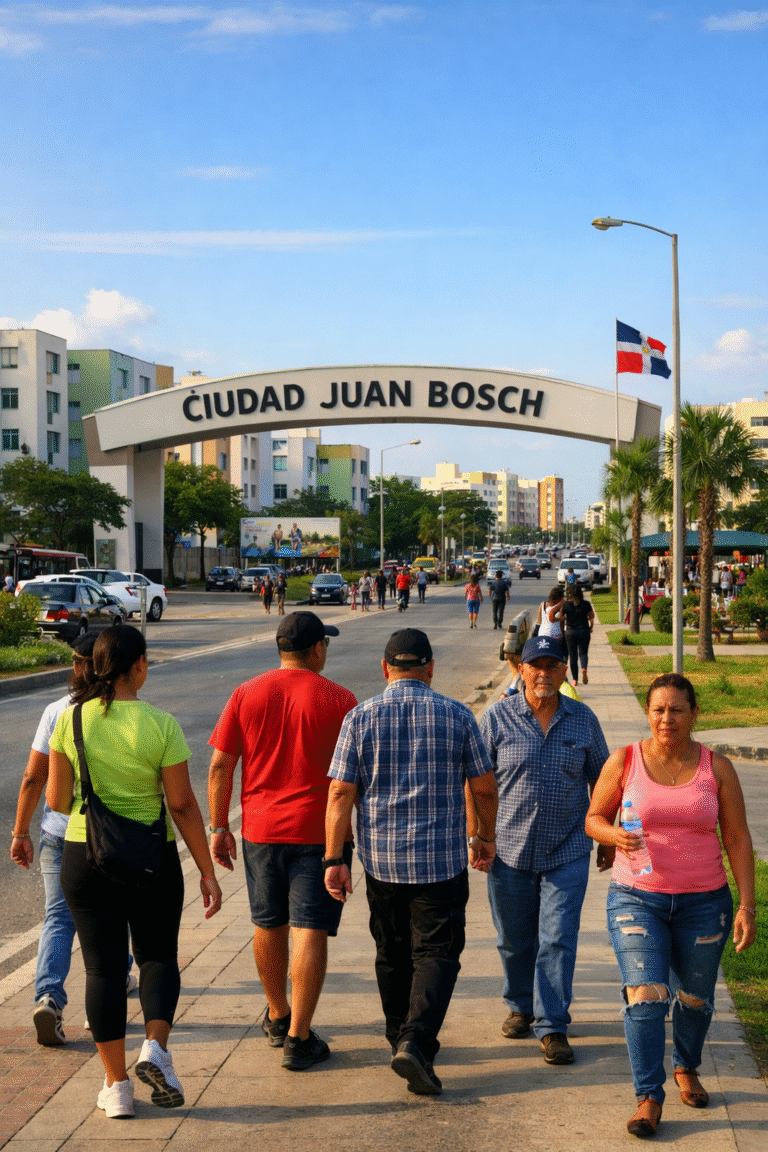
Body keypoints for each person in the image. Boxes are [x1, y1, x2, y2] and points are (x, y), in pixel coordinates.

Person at [47, 628, 221, 1119]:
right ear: (139, 666)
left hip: (86, 855)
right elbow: (183, 805)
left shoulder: (71, 719)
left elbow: (57, 801)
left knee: (102, 969)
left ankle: (116, 1087)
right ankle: (157, 1050)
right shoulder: (161, 724)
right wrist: (207, 872)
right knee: (157, 957)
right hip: (151, 858)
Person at [325, 628, 498, 1095]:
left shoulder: (359, 718)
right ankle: (416, 1042)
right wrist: (484, 835)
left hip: (380, 863)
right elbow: (483, 786)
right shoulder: (459, 715)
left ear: (385, 670)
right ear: (430, 668)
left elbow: (341, 793)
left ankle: (398, 1033)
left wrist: (333, 858)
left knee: (391, 951)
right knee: (437, 952)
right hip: (441, 864)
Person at [585, 673, 756, 1139]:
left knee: (695, 1001)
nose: (667, 719)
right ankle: (648, 1096)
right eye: (659, 709)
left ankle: (687, 1065)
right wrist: (612, 834)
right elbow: (594, 818)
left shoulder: (717, 769)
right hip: (636, 898)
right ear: (648, 712)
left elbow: (737, 838)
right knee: (646, 998)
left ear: (694, 714)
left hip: (705, 903)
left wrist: (747, 906)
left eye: (677, 710)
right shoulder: (624, 761)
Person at [207, 612, 357, 1071]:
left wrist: (218, 828)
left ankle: (277, 1014)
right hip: (320, 834)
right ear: (316, 650)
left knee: (266, 923)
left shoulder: (246, 693)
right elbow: (356, 778)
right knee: (309, 928)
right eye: (325, 645)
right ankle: (299, 1037)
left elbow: (219, 766)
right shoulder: (339, 699)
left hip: (260, 831)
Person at [475, 635, 609, 1067]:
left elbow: (604, 783)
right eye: (536, 666)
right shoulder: (496, 719)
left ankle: (553, 1026)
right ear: (521, 670)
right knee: (514, 941)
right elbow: (476, 782)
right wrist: (478, 834)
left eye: (553, 666)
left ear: (564, 672)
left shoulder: (583, 721)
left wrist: (607, 837)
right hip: (508, 850)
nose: (544, 674)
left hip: (567, 848)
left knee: (557, 939)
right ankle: (520, 1005)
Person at [11, 633, 138, 1046]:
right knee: (111, 916)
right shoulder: (123, 710)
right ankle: (108, 996)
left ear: (76, 665)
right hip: (114, 834)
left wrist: (20, 832)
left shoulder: (56, 711)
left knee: (59, 917)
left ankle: (49, 996)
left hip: (59, 832)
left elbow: (34, 777)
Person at [562, 584, 594, 685]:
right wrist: (590, 627)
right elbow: (591, 618)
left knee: (573, 656)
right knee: (583, 653)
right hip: (583, 630)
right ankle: (584, 669)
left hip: (570, 632)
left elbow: (562, 619)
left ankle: (575, 679)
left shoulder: (566, 605)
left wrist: (563, 630)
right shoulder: (586, 604)